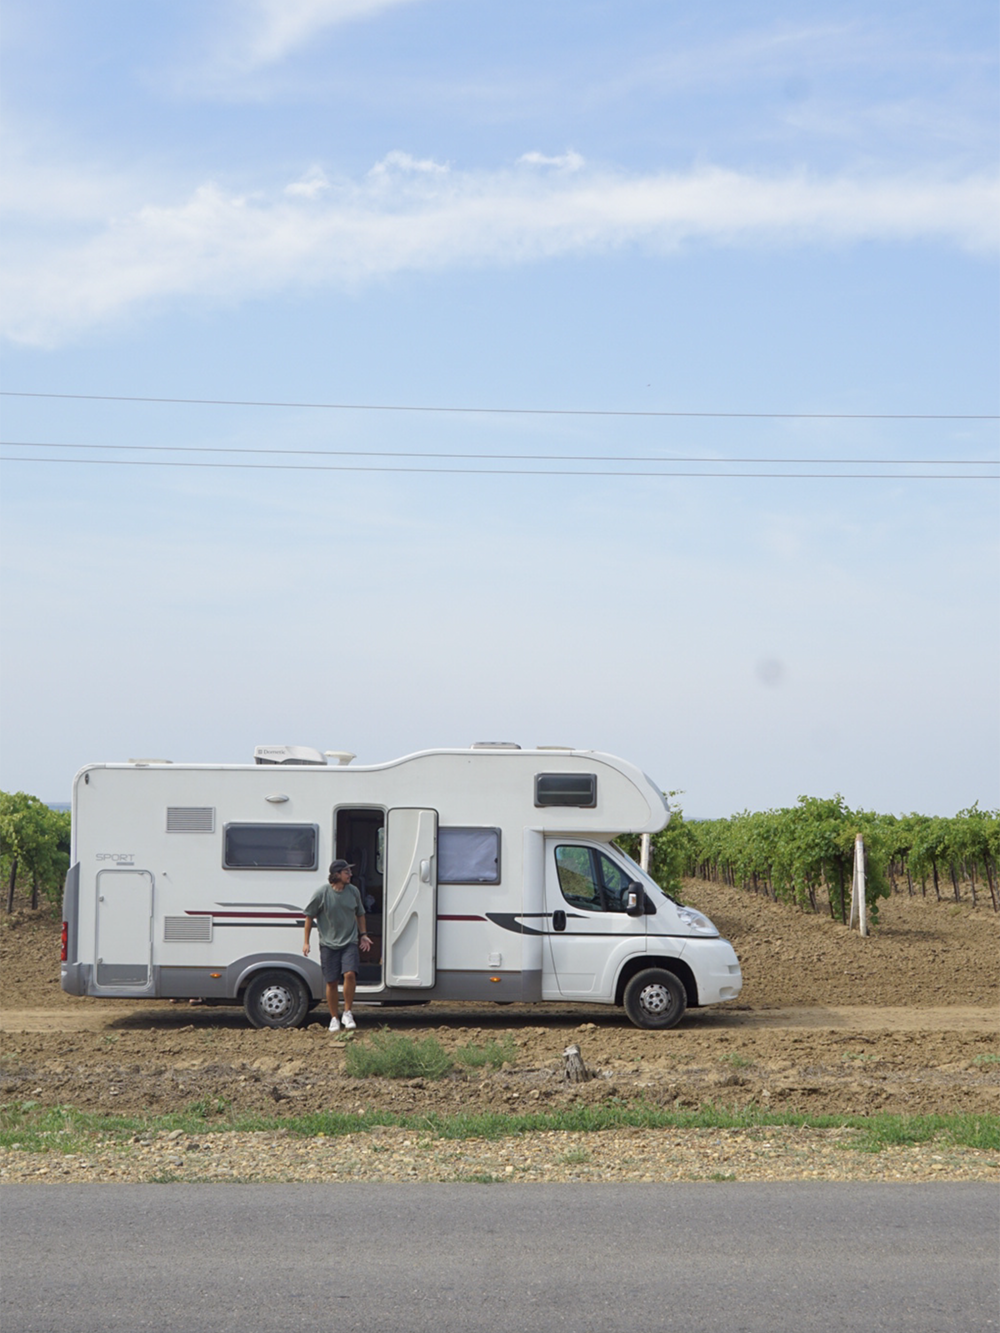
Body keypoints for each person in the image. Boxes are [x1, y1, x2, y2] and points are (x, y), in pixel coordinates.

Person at [303, 859, 371, 1031]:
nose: (350, 875)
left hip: (349, 941)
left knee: (349, 974)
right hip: (328, 943)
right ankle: (334, 1018)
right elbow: (309, 916)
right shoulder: (322, 893)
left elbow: (360, 914)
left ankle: (347, 1013)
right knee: (332, 982)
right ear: (337, 874)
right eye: (347, 872)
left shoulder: (353, 891)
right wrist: (306, 942)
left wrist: (363, 935)